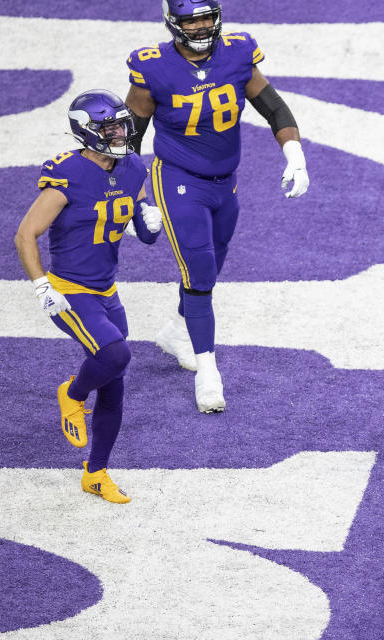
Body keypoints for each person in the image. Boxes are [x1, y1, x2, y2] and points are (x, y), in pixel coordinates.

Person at [124, 0, 310, 413]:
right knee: (201, 267)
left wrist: (294, 153)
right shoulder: (153, 66)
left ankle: (176, 328)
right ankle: (209, 370)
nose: (203, 25)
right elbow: (130, 138)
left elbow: (273, 105)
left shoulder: (238, 51)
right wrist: (135, 198)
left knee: (212, 262)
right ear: (174, 23)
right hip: (177, 177)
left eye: (207, 16)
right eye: (193, 19)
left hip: (225, 180)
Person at [14, 89, 163, 503]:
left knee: (114, 381)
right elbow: (26, 234)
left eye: (120, 124)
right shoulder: (69, 174)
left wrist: (151, 220)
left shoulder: (134, 167)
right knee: (115, 355)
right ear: (87, 132)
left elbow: (145, 234)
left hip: (106, 289)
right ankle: (72, 394)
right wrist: (41, 285)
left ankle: (95, 473)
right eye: (109, 126)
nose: (119, 132)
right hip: (69, 290)